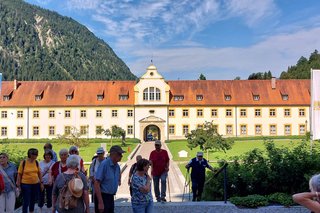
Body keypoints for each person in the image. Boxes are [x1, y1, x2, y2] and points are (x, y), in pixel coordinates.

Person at [94, 145, 125, 213]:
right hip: (103, 196)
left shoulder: (116, 166)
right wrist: (100, 202)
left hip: (110, 197)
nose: (121, 156)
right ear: (113, 154)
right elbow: (96, 183)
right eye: (119, 154)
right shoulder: (104, 164)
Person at [16, 148, 44, 213]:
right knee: (26, 200)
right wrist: (18, 184)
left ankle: (31, 211)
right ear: (30, 155)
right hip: (25, 184)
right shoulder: (24, 162)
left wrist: (41, 183)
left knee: (33, 199)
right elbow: (19, 174)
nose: (36, 156)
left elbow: (39, 173)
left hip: (35, 184)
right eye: (35, 154)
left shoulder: (36, 162)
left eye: (37, 154)